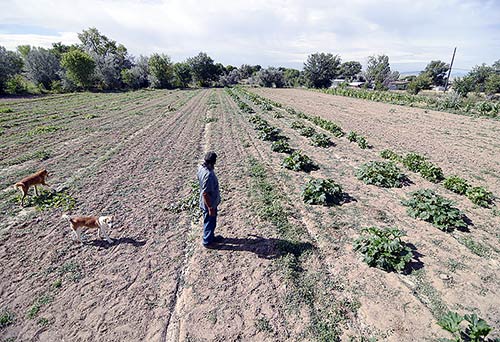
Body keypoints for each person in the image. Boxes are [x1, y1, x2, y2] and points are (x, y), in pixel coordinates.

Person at [197, 151, 221, 247]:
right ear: (213, 162)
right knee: (209, 221)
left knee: (211, 221)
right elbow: (206, 193)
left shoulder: (201, 168)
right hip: (209, 203)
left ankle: (211, 237)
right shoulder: (209, 175)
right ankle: (207, 242)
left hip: (208, 202)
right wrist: (210, 207)